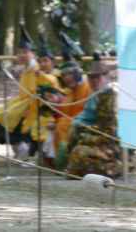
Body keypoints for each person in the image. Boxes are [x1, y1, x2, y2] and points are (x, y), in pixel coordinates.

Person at [0, 25, 59, 160]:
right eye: (19, 52)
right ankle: (19, 148)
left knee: (9, 115)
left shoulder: (36, 68)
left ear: (32, 53)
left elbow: (47, 85)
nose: (21, 55)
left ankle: (24, 149)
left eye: (25, 52)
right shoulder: (27, 68)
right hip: (24, 101)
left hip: (36, 104)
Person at [66, 53, 122, 178]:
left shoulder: (111, 95)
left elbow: (110, 130)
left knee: (79, 152)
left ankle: (112, 168)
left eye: (97, 77)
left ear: (106, 77)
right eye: (91, 77)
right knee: (73, 136)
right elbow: (86, 115)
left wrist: (87, 135)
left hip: (110, 143)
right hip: (95, 134)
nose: (94, 81)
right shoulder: (96, 94)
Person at [53, 32, 91, 170]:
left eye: (69, 73)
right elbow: (65, 111)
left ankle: (66, 162)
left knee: (64, 126)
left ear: (77, 72)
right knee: (59, 124)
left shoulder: (88, 86)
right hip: (68, 124)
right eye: (64, 75)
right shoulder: (70, 91)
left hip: (85, 124)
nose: (66, 78)